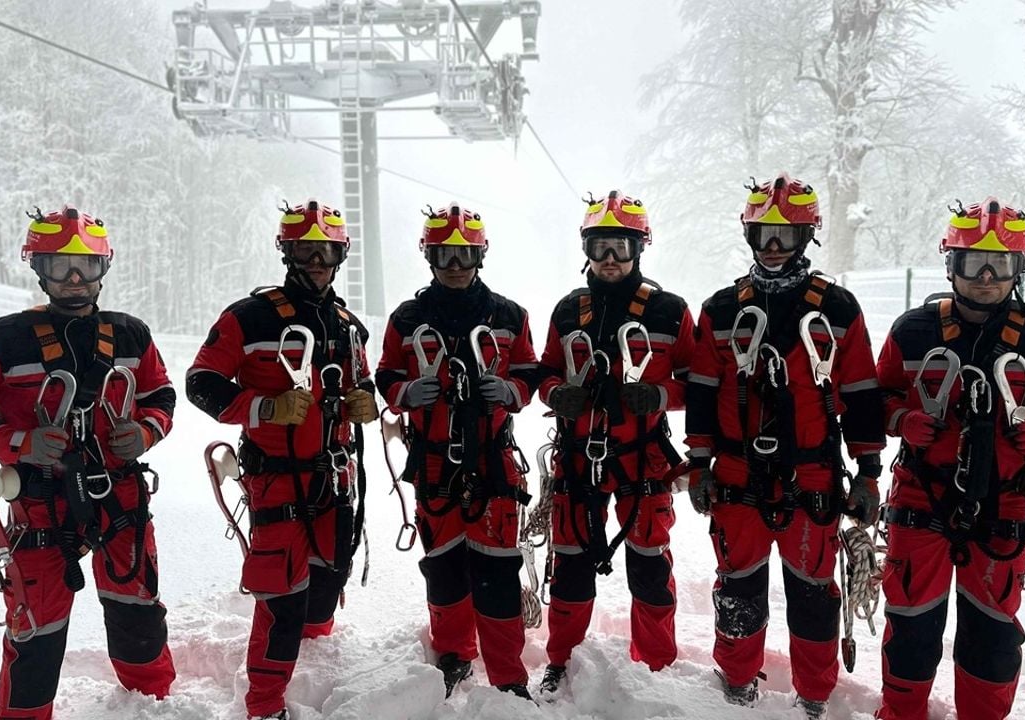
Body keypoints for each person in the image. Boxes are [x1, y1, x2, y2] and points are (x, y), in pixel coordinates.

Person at [0, 205, 176, 719]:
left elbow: (160, 393)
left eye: (85, 266)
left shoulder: (131, 334)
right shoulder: (6, 338)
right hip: (40, 511)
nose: (72, 278)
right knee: (36, 637)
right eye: (58, 264)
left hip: (121, 502)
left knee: (138, 616)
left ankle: (155, 706)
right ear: (36, 267)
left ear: (103, 269)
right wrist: (14, 441)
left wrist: (148, 429)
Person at [873, 198, 1025, 720]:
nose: (987, 278)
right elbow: (874, 398)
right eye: (973, 264)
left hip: (1006, 502)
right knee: (911, 623)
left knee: (993, 633)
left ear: (1022, 267)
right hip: (920, 499)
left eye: (1002, 265)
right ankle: (901, 714)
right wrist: (903, 421)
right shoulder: (913, 331)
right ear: (951, 264)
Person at [685, 173, 886, 719]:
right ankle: (737, 682)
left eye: (786, 235)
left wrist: (869, 472)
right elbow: (702, 391)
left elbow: (862, 392)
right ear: (748, 236)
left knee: (814, 596)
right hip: (734, 476)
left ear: (807, 237)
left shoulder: (837, 309)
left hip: (813, 481)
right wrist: (698, 463)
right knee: (739, 591)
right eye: (763, 234)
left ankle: (815, 696)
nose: (773, 247)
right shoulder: (722, 309)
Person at [186, 200, 378, 720]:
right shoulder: (248, 318)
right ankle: (265, 704)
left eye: (326, 251)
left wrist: (365, 401)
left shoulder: (348, 324)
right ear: (286, 252)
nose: (316, 261)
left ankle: (316, 661)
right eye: (305, 250)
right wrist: (264, 407)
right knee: (282, 595)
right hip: (278, 482)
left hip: (337, 479)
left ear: (340, 255)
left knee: (326, 581)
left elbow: (362, 381)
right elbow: (200, 384)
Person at [374, 203, 539, 699]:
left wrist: (511, 391)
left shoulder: (509, 316)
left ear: (480, 255)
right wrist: (404, 395)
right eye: (444, 253)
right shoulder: (408, 319)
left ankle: (507, 675)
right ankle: (453, 655)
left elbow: (531, 370)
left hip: (493, 461)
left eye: (464, 253)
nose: (454, 264)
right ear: (428, 255)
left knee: (496, 572)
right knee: (444, 567)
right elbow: (385, 373)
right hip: (433, 462)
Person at [535, 191, 695, 694]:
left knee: (649, 566)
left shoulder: (669, 311)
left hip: (643, 459)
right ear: (586, 248)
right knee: (571, 566)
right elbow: (545, 372)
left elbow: (700, 383)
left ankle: (655, 665)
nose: (609, 259)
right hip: (579, 459)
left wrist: (662, 394)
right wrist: (557, 393)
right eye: (601, 246)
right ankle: (561, 659)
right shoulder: (568, 312)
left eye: (620, 248)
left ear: (639, 250)